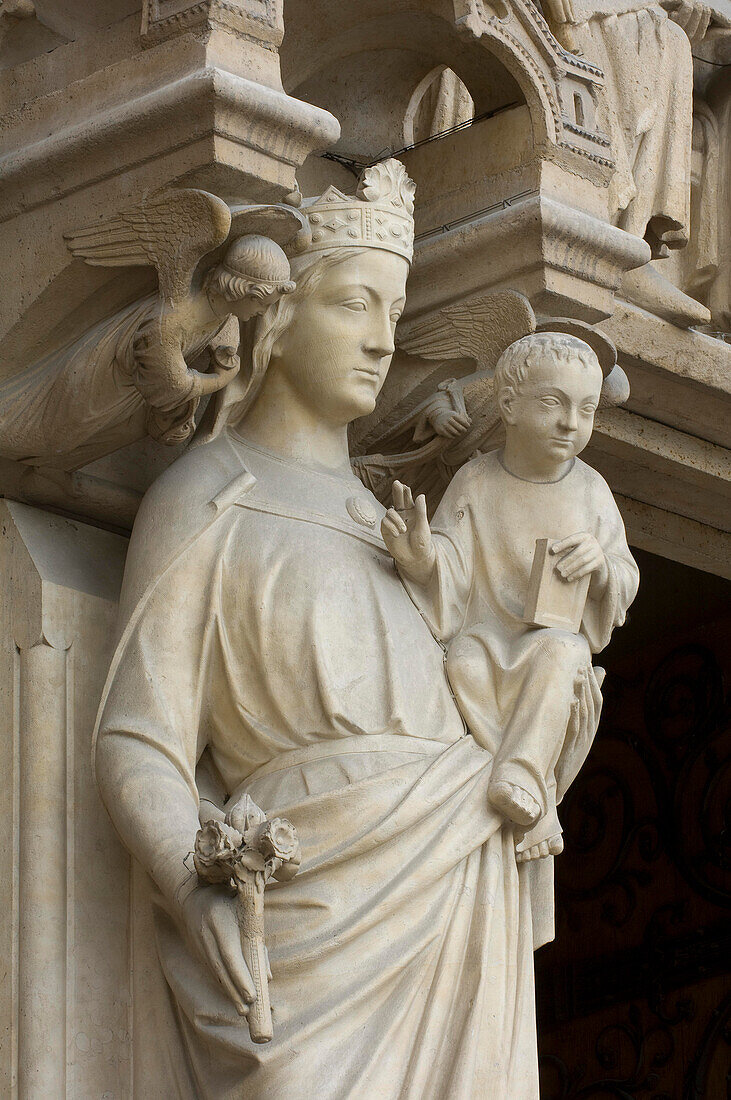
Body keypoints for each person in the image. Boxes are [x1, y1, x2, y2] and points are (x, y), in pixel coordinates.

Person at [94, 160, 555, 1099]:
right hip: (306, 922)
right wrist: (191, 887)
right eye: (355, 304)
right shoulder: (207, 498)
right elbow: (140, 738)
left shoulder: (401, 528)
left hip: (455, 886)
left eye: (394, 310)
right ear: (279, 317)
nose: (384, 341)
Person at [381, 332, 639, 859]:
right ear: (507, 405)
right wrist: (419, 557)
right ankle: (537, 798)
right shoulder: (475, 481)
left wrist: (602, 566)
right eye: (553, 403)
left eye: (586, 409)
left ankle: (521, 775)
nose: (571, 423)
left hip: (549, 650)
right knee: (465, 665)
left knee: (565, 650)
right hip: (485, 644)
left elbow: (625, 576)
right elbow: (451, 563)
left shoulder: (591, 489)